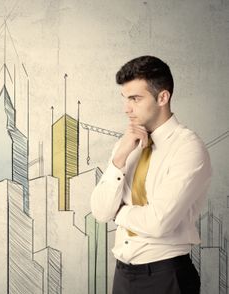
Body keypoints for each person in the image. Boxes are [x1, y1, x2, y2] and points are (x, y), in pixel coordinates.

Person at [90, 55, 212, 294]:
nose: (127, 108)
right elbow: (100, 211)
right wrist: (119, 159)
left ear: (162, 97)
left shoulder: (188, 148)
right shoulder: (126, 144)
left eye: (135, 98)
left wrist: (119, 210)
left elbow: (158, 223)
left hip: (166, 277)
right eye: (125, 99)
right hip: (123, 275)